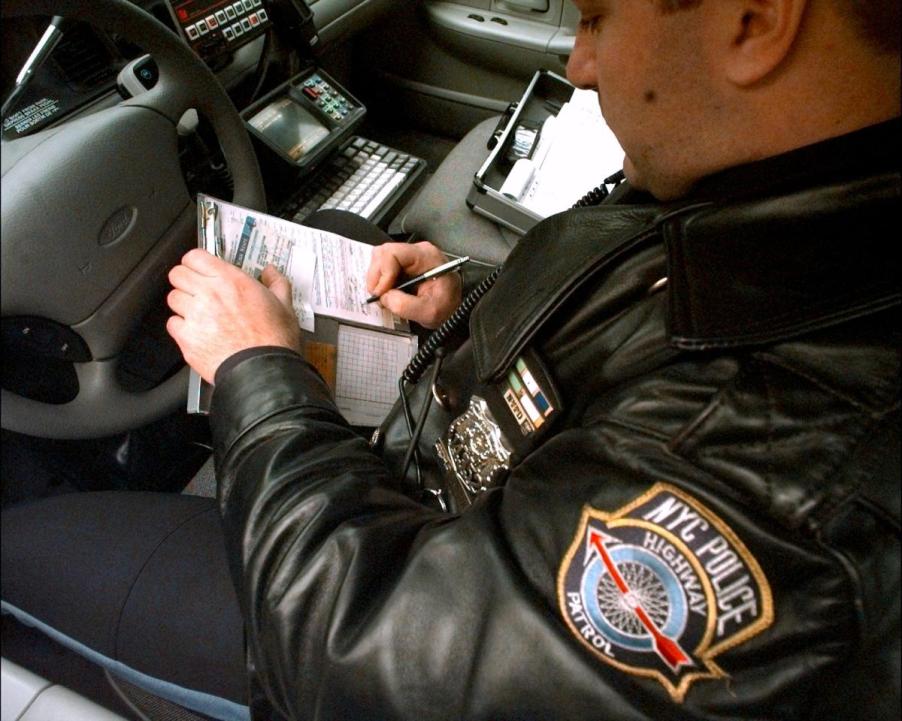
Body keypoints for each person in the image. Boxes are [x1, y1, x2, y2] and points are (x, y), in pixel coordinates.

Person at [2, 0, 899, 720]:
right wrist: (467, 304)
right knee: (341, 233)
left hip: (357, 601)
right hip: (437, 469)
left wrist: (258, 373)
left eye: (597, 19)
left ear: (755, 20)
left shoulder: (785, 491)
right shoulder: (769, 203)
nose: (582, 64)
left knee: (23, 544)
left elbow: (363, 666)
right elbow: (630, 318)